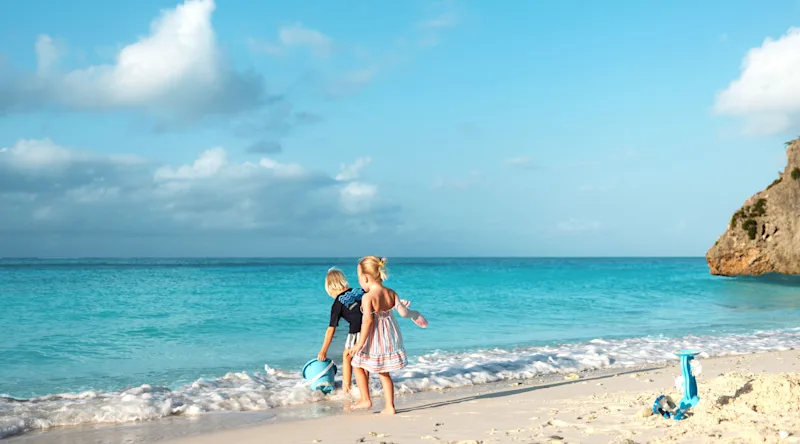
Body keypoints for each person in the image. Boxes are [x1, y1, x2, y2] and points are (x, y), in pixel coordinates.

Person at [350, 256, 412, 414]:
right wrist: (406, 308)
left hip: (373, 338)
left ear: (365, 277)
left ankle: (365, 399)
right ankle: (390, 407)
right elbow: (402, 312)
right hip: (389, 337)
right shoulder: (391, 292)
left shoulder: (367, 297)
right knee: (384, 372)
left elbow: (368, 321)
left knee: (356, 363)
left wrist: (359, 343)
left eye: (358, 278)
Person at [317, 267, 367, 394]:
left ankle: (347, 388)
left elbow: (331, 330)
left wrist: (323, 351)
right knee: (365, 358)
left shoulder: (338, 303)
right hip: (372, 327)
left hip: (357, 330)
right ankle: (366, 386)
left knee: (347, 356)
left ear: (330, 286)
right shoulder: (359, 291)